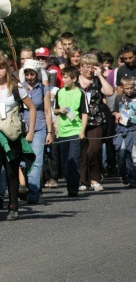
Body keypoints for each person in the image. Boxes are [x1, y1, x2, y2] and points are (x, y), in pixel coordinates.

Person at [0, 56, 36, 221]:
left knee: (11, 170)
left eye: (1, 67)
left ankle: (13, 207)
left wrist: (30, 131)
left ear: (7, 69)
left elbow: (32, 108)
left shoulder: (17, 88)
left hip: (12, 132)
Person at [77, 53, 113, 192]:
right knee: (82, 152)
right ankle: (83, 180)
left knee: (94, 149)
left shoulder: (97, 81)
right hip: (78, 121)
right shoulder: (75, 82)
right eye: (86, 66)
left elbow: (109, 92)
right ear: (81, 67)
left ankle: (95, 178)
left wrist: (100, 75)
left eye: (92, 66)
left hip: (96, 120)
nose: (89, 69)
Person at [20, 59, 53, 203]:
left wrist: (49, 132)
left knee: (36, 161)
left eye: (32, 74)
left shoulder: (44, 89)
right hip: (22, 127)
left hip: (39, 127)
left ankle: (33, 193)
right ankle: (21, 188)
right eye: (27, 74)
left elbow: (47, 110)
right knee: (21, 162)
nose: (29, 77)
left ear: (37, 74)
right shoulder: (20, 87)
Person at [53, 66, 89, 197]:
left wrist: (82, 130)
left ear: (74, 78)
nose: (63, 79)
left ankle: (73, 188)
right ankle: (70, 181)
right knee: (65, 164)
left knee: (73, 159)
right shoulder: (59, 92)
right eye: (62, 77)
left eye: (66, 77)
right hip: (62, 132)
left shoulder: (81, 93)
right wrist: (59, 111)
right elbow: (55, 110)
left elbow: (85, 113)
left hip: (75, 131)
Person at [113, 76, 136, 186]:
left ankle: (133, 178)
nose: (129, 90)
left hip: (134, 129)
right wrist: (116, 114)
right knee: (121, 152)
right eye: (127, 88)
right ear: (122, 88)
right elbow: (114, 111)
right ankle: (123, 173)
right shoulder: (118, 98)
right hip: (122, 129)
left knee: (133, 154)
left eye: (131, 88)